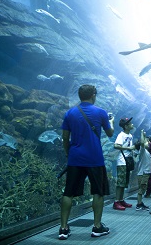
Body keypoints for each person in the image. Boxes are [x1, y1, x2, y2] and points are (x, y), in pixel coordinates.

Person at [59, 84, 114, 239]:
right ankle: (97, 227)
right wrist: (112, 122)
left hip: (75, 158)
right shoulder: (101, 112)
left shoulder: (70, 113)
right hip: (95, 158)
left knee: (68, 193)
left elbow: (65, 138)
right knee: (98, 191)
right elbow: (110, 134)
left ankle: (63, 228)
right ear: (93, 95)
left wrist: (69, 154)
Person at [112, 117, 136, 210]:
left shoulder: (130, 135)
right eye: (130, 123)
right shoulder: (121, 135)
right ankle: (116, 201)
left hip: (127, 161)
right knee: (120, 183)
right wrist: (128, 149)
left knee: (124, 182)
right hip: (122, 161)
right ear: (126, 126)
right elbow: (116, 145)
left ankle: (121, 200)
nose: (132, 124)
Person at [135, 129, 151, 211]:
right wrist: (142, 133)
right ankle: (138, 204)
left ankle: (140, 203)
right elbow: (142, 143)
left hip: (145, 173)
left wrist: (145, 136)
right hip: (143, 173)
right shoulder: (142, 151)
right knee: (142, 189)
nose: (148, 142)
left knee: (143, 188)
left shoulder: (146, 152)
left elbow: (143, 142)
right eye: (147, 141)